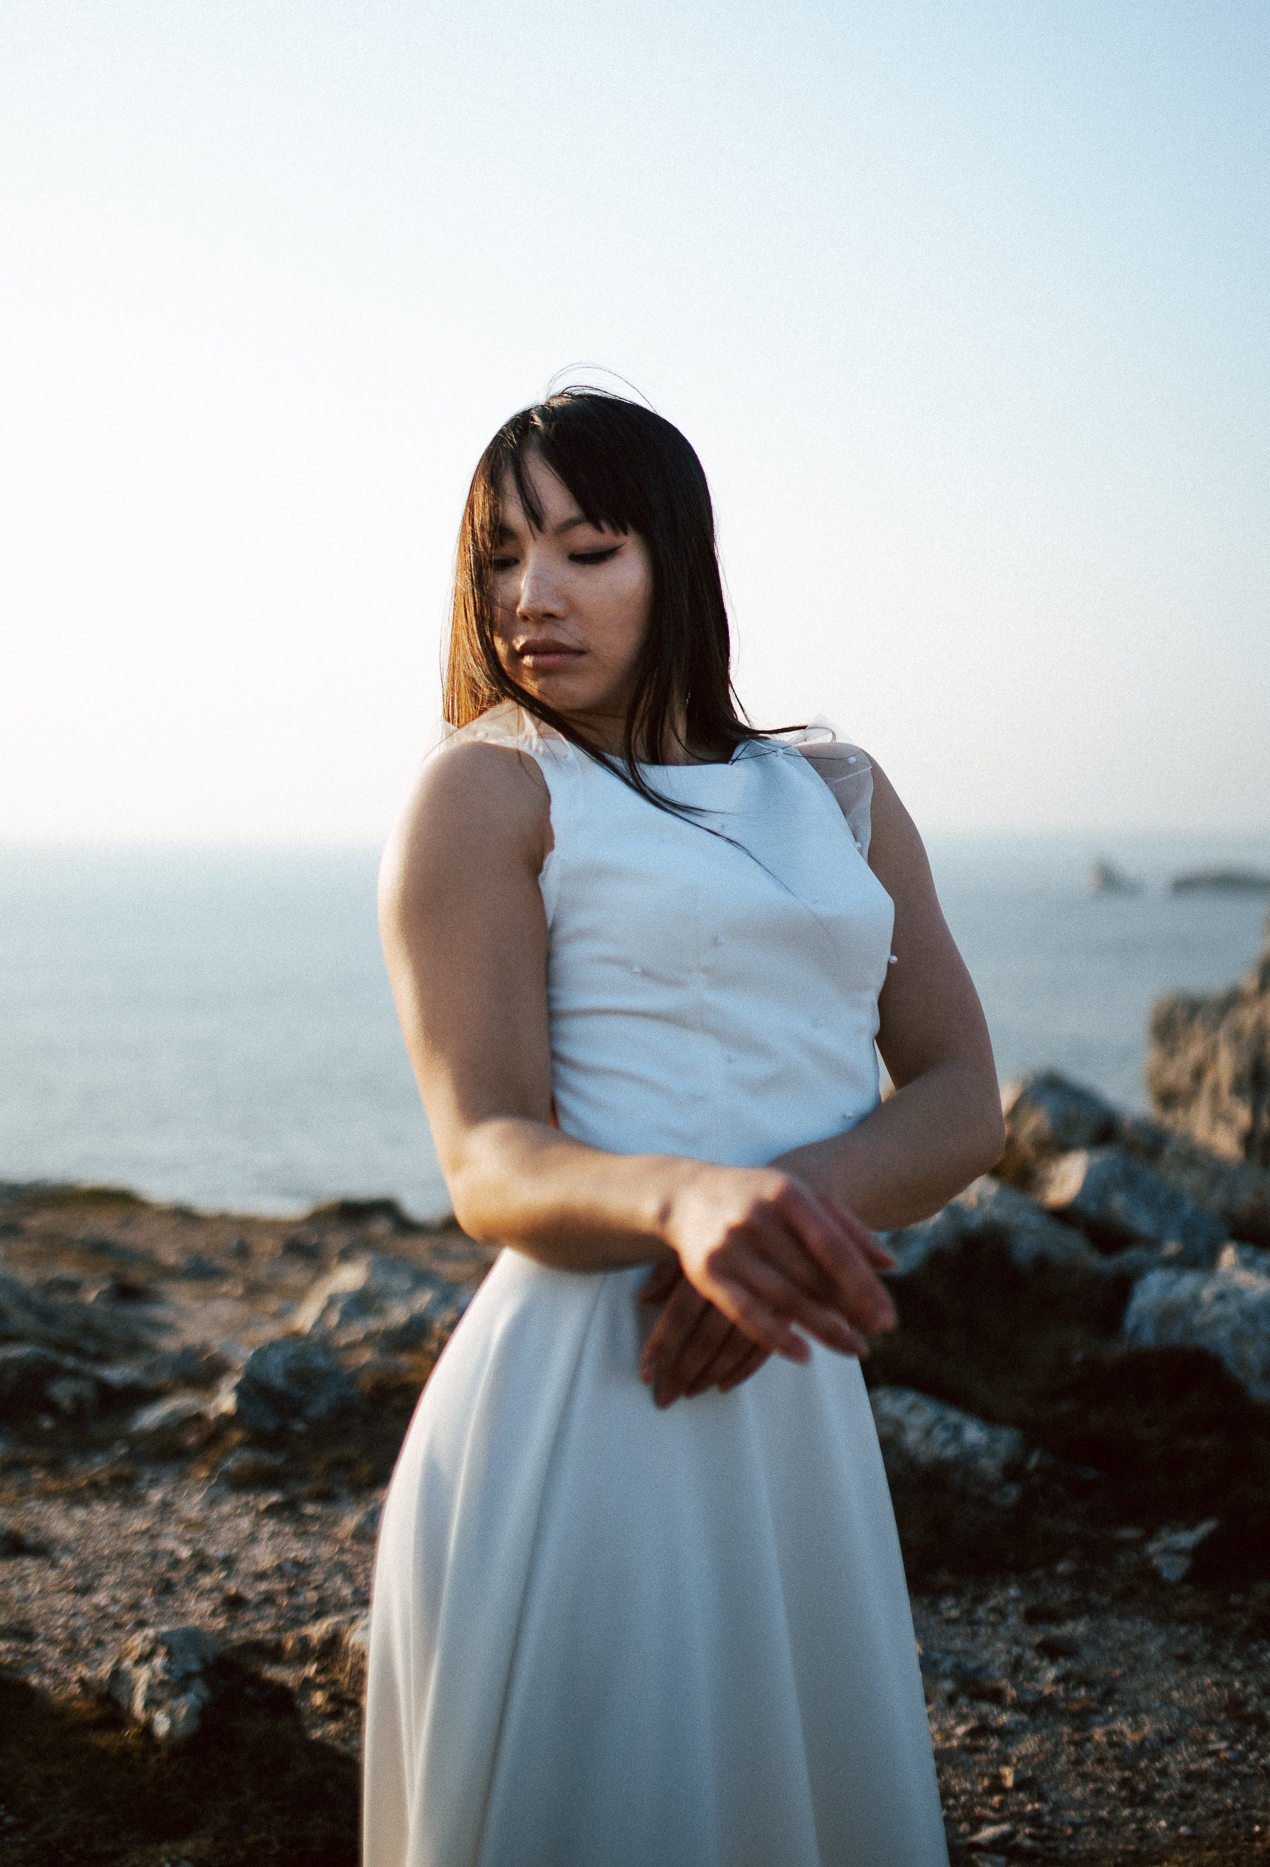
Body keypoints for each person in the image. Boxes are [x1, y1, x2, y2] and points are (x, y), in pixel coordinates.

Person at [365, 390, 1004, 1867]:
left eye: (587, 548)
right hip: (591, 1387)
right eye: (499, 559)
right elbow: (488, 1158)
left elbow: (966, 1096)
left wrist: (776, 1221)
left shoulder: (838, 790)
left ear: (678, 565)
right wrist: (688, 1214)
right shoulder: (484, 790)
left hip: (788, 1384)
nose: (533, 598)